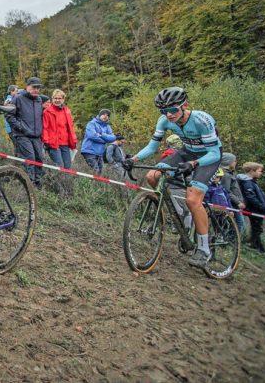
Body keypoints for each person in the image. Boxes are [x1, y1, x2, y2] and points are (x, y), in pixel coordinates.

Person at [125, 87, 222, 270]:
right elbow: (152, 146)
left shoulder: (202, 120)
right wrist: (133, 159)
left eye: (172, 110)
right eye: (164, 111)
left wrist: (193, 164)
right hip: (186, 152)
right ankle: (178, 214)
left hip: (208, 157)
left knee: (193, 200)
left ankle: (204, 249)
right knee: (152, 176)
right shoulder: (164, 121)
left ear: (184, 106)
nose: (168, 115)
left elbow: (215, 153)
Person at [5, 77, 45, 187]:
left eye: (38, 88)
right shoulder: (18, 98)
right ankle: (29, 184)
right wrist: (21, 127)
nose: (36, 90)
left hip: (36, 135)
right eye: (34, 87)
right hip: (22, 134)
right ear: (27, 87)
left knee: (39, 159)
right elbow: (9, 115)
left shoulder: (39, 100)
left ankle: (38, 183)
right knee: (30, 159)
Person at [238, 162, 265, 254]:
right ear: (252, 171)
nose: (261, 173)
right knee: (257, 229)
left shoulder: (251, 181)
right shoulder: (247, 183)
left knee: (256, 229)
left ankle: (254, 245)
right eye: (260, 171)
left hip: (256, 210)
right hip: (254, 210)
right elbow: (251, 197)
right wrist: (261, 207)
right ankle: (259, 249)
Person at [41, 89, 77, 169]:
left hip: (65, 143)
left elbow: (70, 127)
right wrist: (46, 141)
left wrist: (73, 140)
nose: (57, 100)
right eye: (55, 98)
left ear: (63, 99)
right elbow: (45, 127)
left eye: (59, 98)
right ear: (52, 99)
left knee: (67, 167)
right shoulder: (47, 112)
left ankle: (65, 181)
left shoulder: (67, 111)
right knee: (59, 167)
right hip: (53, 143)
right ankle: (57, 181)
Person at [80, 109, 116, 174]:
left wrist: (102, 135)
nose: (105, 116)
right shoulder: (91, 123)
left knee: (101, 173)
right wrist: (105, 140)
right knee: (96, 171)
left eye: (107, 115)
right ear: (99, 115)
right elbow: (92, 136)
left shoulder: (107, 126)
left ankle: (94, 184)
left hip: (100, 153)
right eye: (103, 114)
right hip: (89, 151)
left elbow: (113, 138)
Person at [220, 152, 246, 233]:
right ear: (228, 161)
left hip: (234, 204)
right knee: (239, 224)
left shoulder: (231, 173)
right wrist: (238, 202)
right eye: (234, 161)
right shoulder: (226, 175)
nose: (235, 162)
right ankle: (233, 243)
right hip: (232, 204)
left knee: (238, 224)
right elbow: (226, 191)